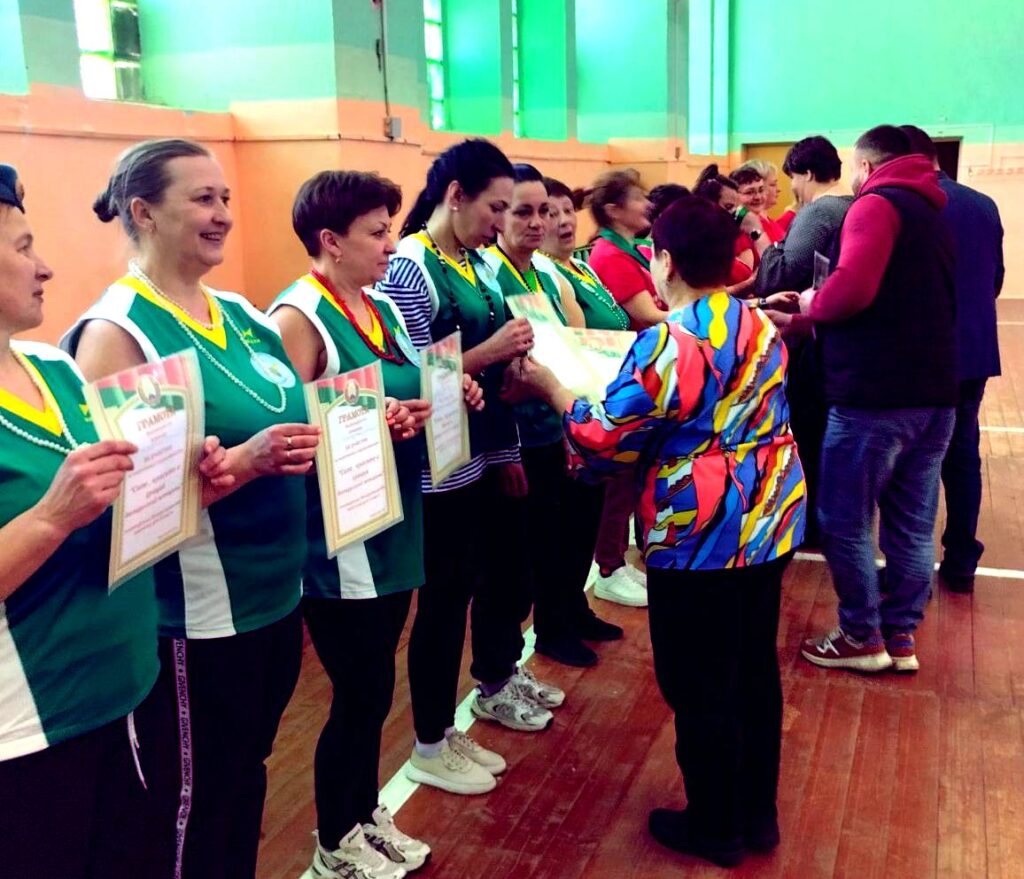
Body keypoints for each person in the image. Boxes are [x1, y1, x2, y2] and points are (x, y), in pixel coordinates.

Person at [507, 196, 806, 868]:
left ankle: (715, 825)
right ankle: (755, 814)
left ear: (663, 261)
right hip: (769, 516)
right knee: (752, 669)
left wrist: (552, 387)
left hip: (701, 529)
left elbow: (603, 435)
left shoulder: (672, 341)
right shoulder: (756, 322)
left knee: (698, 680)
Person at [63, 138, 319, 879]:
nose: (223, 214)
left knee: (246, 778)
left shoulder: (240, 313)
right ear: (144, 212)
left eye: (225, 198)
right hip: (197, 619)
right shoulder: (118, 332)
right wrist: (241, 464)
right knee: (192, 807)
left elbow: (290, 412)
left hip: (277, 596)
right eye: (203, 199)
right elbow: (117, 503)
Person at [0, 164, 226, 879]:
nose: (45, 266)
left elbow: (113, 509)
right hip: (30, 727)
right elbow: (63, 513)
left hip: (124, 689)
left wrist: (187, 488)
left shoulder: (53, 368)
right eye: (23, 248)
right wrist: (50, 517)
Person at [271, 170, 485, 878]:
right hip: (342, 539)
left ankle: (364, 813)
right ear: (330, 240)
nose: (392, 245)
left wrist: (447, 390)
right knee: (359, 690)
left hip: (394, 518)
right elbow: (285, 428)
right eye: (377, 232)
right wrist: (371, 420)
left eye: (390, 229)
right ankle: (336, 839)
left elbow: (403, 385)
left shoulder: (380, 306)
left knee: (374, 688)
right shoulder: (299, 316)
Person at [377, 139, 560, 796]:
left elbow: (489, 372)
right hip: (438, 465)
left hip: (481, 452)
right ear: (455, 196)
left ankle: (469, 703)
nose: (502, 221)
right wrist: (490, 350)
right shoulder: (411, 267)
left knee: (488, 583)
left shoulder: (477, 264)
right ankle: (429, 738)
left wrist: (506, 449)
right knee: (442, 603)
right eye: (496, 207)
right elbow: (415, 374)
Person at [799, 125, 957, 674]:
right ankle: (901, 634)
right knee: (911, 523)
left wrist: (810, 305)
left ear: (865, 166)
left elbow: (851, 290)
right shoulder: (932, 210)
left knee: (844, 518)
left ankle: (861, 635)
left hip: (875, 398)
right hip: (936, 395)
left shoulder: (875, 205)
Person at [482, 164, 621, 667]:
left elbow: (568, 345)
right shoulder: (490, 275)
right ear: (499, 216)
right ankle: (549, 630)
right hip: (519, 435)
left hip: (556, 424)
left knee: (571, 531)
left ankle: (569, 612)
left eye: (545, 210)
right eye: (524, 211)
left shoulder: (544, 273)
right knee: (533, 548)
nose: (539, 222)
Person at [901, 124, 1005, 594]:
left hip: (922, 353)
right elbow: (995, 279)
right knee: (962, 454)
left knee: (912, 462)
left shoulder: (906, 204)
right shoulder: (983, 204)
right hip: (973, 350)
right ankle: (961, 560)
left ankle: (907, 569)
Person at [535, 177, 643, 611]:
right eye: (549, 213)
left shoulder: (581, 267)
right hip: (578, 402)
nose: (563, 221)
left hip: (607, 393)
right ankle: (600, 577)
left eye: (567, 211)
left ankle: (591, 588)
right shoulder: (547, 272)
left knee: (609, 496)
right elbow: (570, 346)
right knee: (577, 515)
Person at [754, 136, 852, 547]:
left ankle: (810, 524)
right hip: (833, 337)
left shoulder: (819, 211)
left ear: (808, 174)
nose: (792, 188)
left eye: (793, 177)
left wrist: (764, 238)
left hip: (814, 342)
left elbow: (778, 275)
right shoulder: (852, 205)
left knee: (808, 433)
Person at [581, 168, 660, 603]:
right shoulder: (609, 255)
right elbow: (647, 314)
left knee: (627, 481)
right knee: (617, 479)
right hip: (620, 378)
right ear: (613, 209)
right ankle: (608, 566)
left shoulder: (629, 251)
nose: (647, 204)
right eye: (638, 197)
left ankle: (614, 560)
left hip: (637, 374)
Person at [694, 164, 757, 297]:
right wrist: (750, 284)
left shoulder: (723, 242)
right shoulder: (696, 249)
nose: (736, 214)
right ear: (707, 205)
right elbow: (705, 297)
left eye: (737, 208)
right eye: (728, 207)